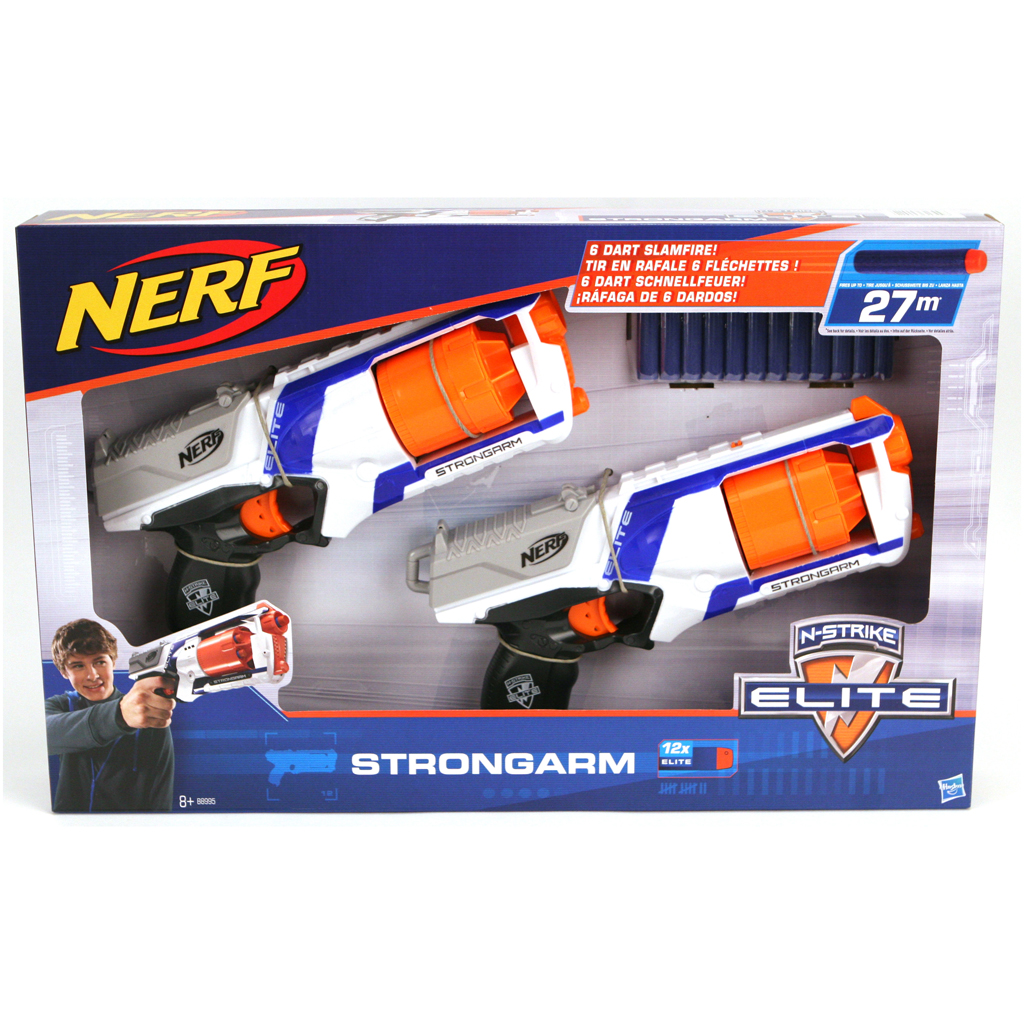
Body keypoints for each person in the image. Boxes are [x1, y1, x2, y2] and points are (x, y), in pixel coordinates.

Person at [45, 619, 175, 812]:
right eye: (78, 666)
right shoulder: (60, 706)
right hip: (67, 824)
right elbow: (42, 736)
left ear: (113, 661)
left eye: (99, 662)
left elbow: (161, 792)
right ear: (64, 672)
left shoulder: (146, 713)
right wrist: (120, 715)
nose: (92, 675)